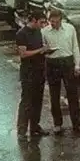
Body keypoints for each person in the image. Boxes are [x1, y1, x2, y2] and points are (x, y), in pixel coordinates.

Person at [42, 9, 80, 135]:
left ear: (61, 20)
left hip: (67, 61)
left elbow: (75, 47)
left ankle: (77, 123)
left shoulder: (70, 29)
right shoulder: (44, 31)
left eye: (56, 22)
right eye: (51, 22)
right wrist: (46, 51)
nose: (53, 24)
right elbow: (42, 48)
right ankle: (57, 124)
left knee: (72, 93)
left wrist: (77, 65)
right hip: (52, 62)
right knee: (54, 94)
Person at [15, 10, 49, 142]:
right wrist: (40, 50)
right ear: (34, 20)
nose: (43, 25)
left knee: (37, 100)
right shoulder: (22, 34)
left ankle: (35, 126)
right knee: (27, 101)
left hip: (39, 70)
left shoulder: (39, 32)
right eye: (41, 22)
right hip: (28, 72)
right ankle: (22, 130)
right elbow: (23, 54)